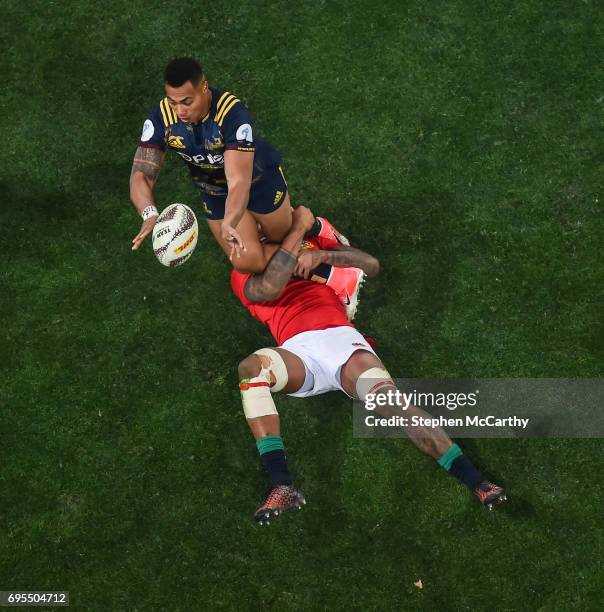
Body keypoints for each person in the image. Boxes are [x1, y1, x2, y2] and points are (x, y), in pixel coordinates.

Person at [231, 206, 507, 524]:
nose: (258, 230)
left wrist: (320, 256)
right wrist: (297, 235)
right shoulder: (243, 273)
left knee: (394, 405)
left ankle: (476, 482)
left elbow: (369, 265)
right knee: (252, 369)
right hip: (297, 352)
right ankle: (282, 484)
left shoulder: (313, 240)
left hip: (341, 342)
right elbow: (270, 285)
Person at [129, 56, 361, 308]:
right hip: (214, 191)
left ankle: (315, 226)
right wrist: (149, 213)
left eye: (187, 101)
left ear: (204, 87)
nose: (180, 111)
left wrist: (230, 220)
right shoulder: (162, 118)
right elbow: (141, 173)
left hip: (258, 181)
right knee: (245, 260)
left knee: (280, 235)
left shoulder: (231, 113)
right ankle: (328, 268)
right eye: (174, 103)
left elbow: (238, 180)